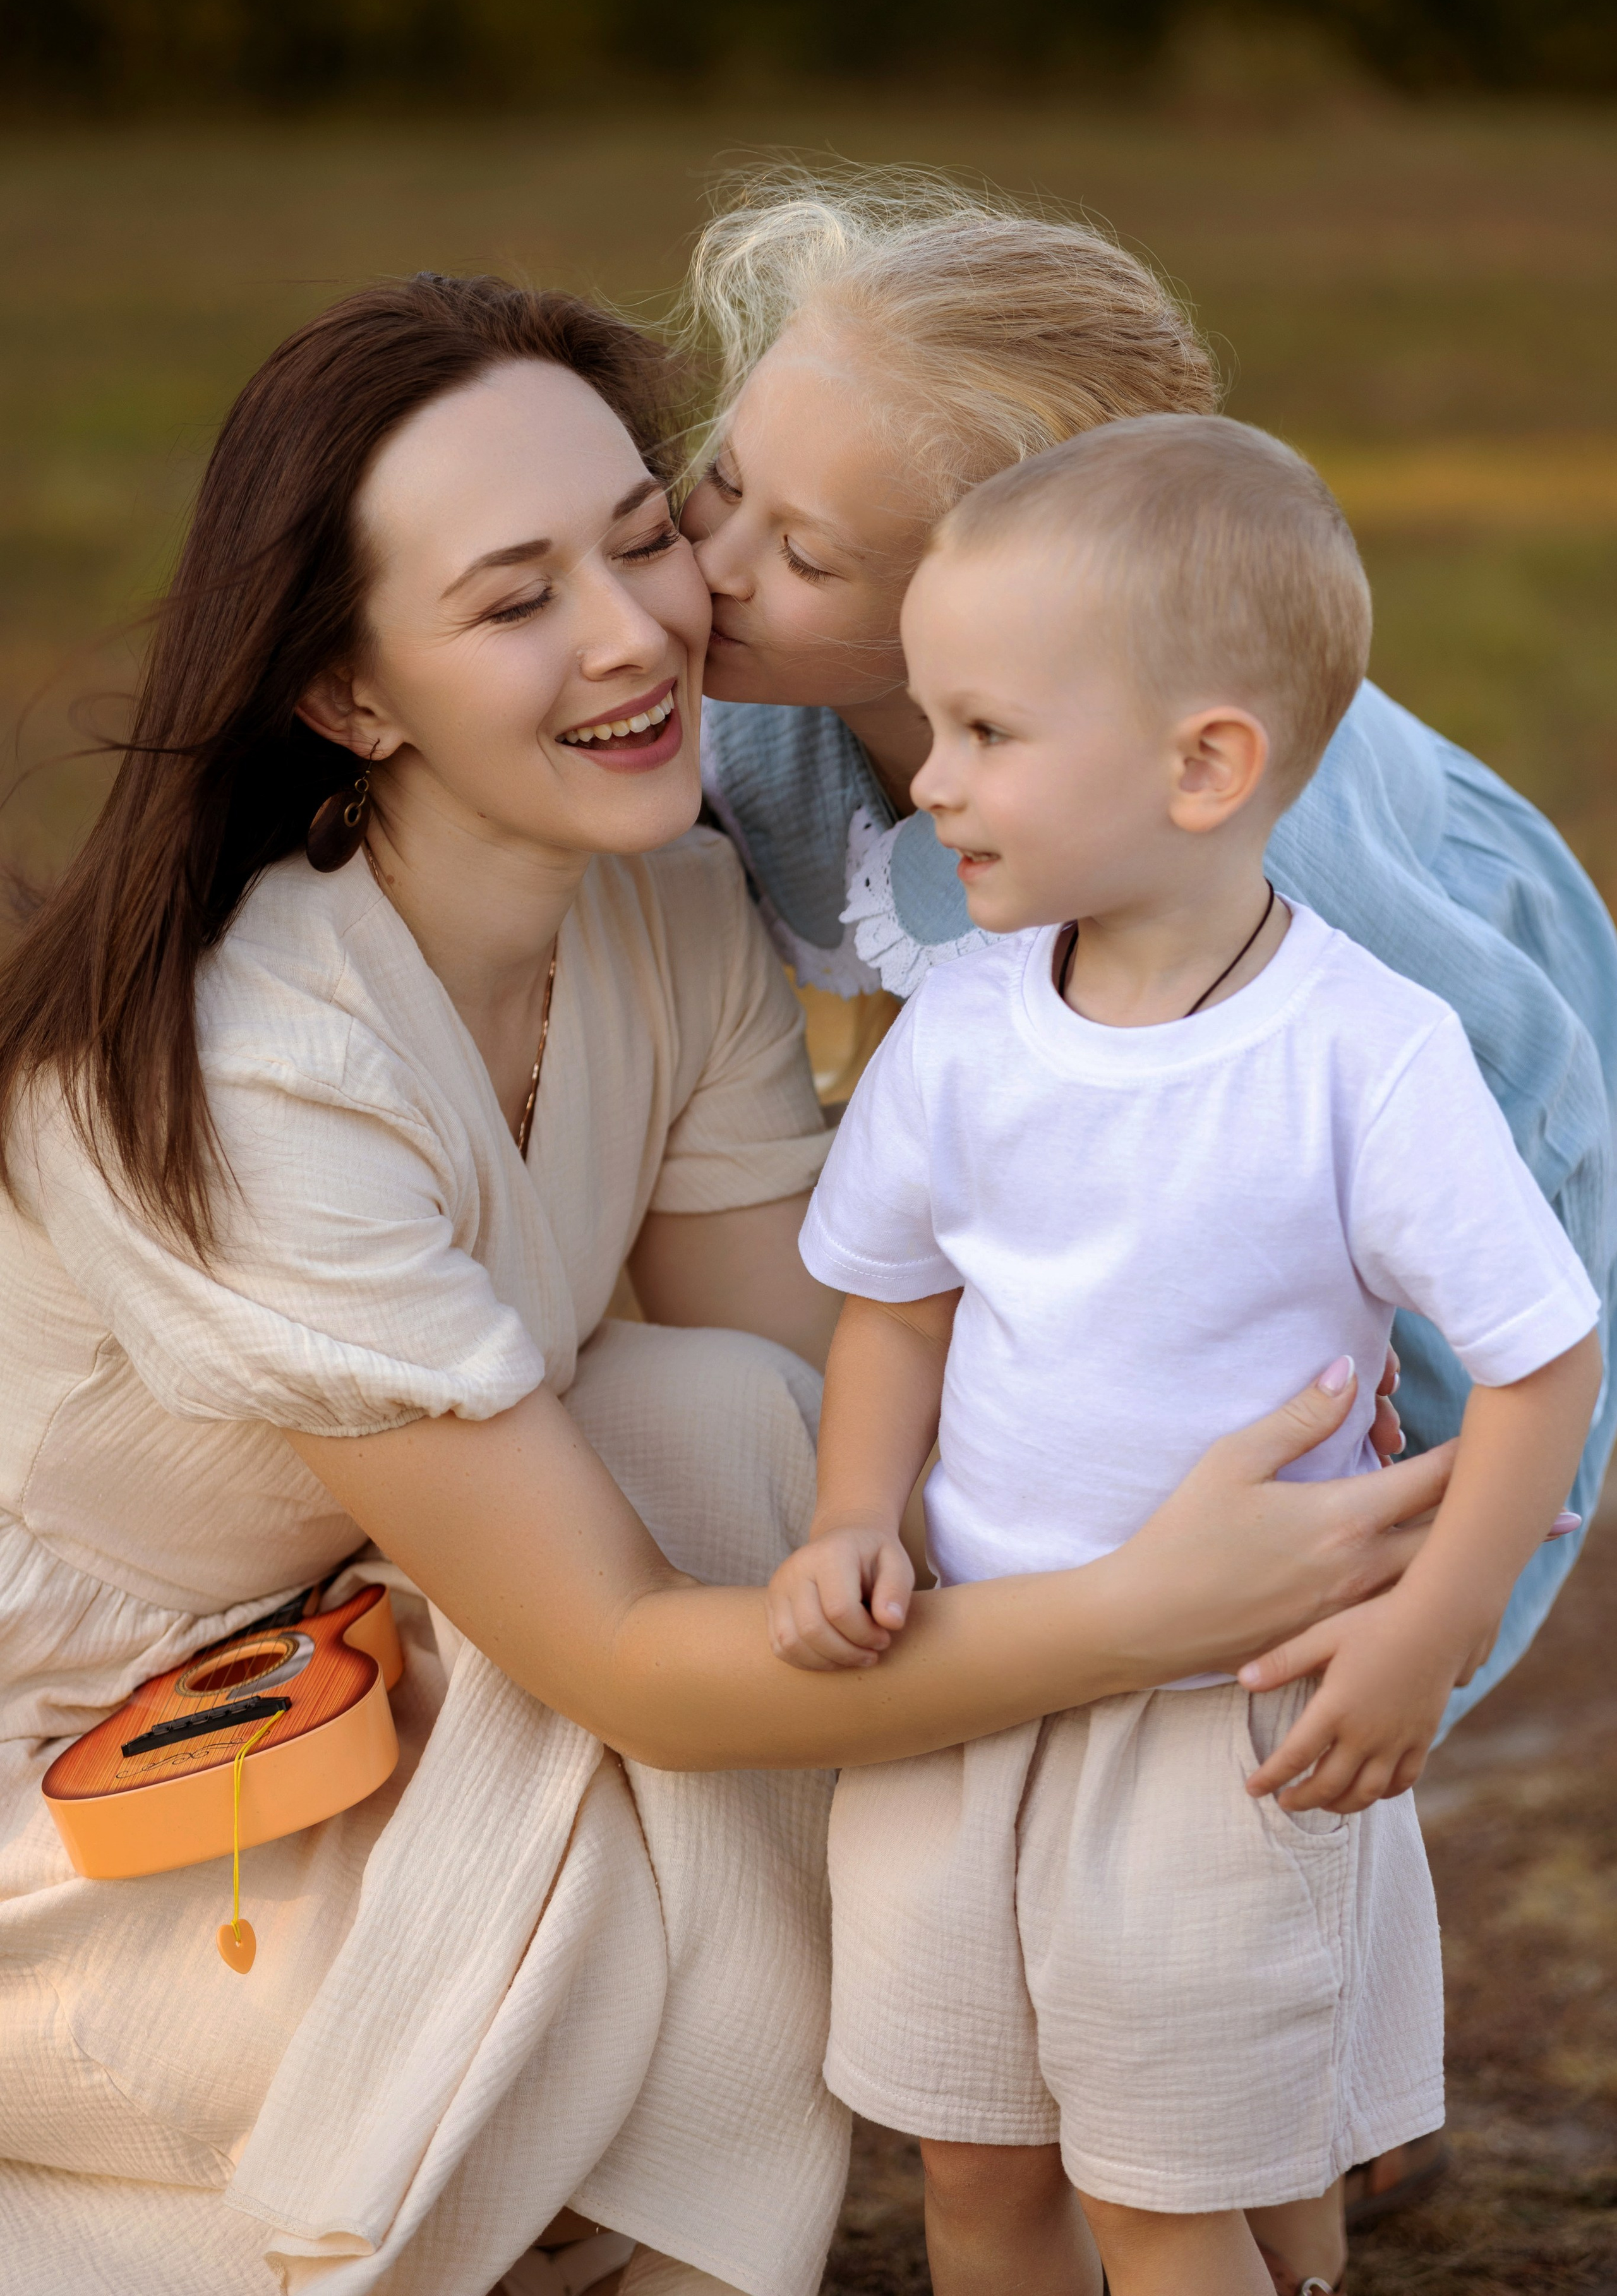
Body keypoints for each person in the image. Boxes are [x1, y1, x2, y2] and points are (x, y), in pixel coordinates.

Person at [0, 275, 1446, 2296]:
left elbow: (814, 1388)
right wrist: (1143, 1613)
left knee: (733, 1431)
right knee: (699, 1603)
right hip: (109, 1782)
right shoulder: (264, 1068)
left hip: (374, 1650)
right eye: (516, 602)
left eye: (640, 533)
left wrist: (1218, 1484)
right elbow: (607, 1652)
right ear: (351, 695)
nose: (638, 630)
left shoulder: (666, 902)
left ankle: (1188, 2052)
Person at [767, 416, 1602, 2296]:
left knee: (1191, 2187)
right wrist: (847, 1517)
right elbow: (897, 1304)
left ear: (1206, 763)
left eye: (984, 735)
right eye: (930, 723)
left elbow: (1545, 1360)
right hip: (964, 1687)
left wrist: (1425, 1629)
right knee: (976, 2174)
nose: (936, 785)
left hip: (1223, 1731)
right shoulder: (968, 1022)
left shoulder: (1361, 1057)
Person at [687, 170, 1617, 1755]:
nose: (712, 565)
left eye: (806, 557)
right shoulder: (749, 719)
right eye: (716, 485)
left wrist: (1431, 1600)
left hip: (1459, 1115)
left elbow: (1522, 1169)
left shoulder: (1259, 873)